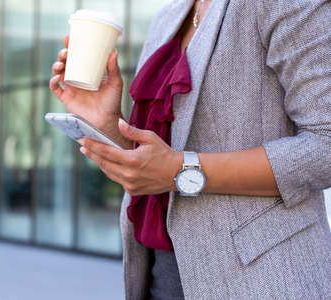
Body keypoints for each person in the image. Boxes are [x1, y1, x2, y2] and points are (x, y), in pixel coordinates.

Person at [49, 0, 331, 299]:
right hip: (162, 276)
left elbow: (325, 144)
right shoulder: (168, 17)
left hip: (263, 280)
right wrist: (107, 121)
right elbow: (159, 162)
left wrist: (182, 170)